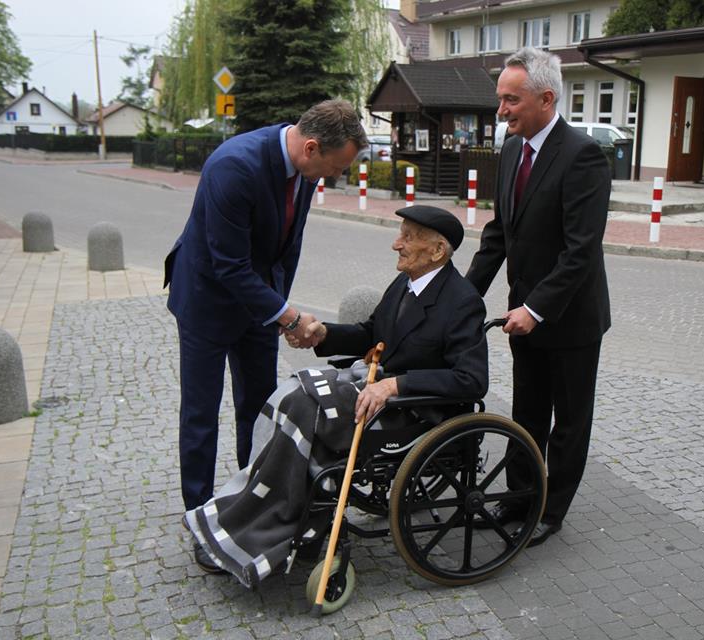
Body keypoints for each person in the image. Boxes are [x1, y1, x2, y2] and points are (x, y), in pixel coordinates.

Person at [184, 205, 488, 585]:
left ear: (438, 250)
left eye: (408, 237)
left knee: (303, 408)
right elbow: (371, 332)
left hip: (413, 409)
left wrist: (396, 385)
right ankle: (268, 512)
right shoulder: (407, 284)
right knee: (292, 395)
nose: (397, 244)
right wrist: (323, 334)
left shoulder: (461, 301)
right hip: (375, 391)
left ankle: (279, 525)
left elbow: (472, 379)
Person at [165, 99, 367, 572]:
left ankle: (249, 504)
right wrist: (288, 317)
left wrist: (282, 312)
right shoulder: (233, 167)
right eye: (335, 168)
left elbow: (286, 248)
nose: (333, 178)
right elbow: (228, 264)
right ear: (312, 146)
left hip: (258, 305)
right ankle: (200, 518)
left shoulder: (307, 168)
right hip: (207, 301)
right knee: (200, 412)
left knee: (258, 409)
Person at [466, 47, 611, 547]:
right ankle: (519, 498)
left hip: (569, 320)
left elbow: (581, 251)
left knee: (568, 423)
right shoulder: (510, 151)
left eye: (511, 100)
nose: (501, 110)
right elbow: (499, 235)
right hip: (522, 316)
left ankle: (550, 512)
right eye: (500, 99)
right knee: (527, 414)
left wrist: (536, 307)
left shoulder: (583, 156)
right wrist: (462, 299)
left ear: (546, 98)